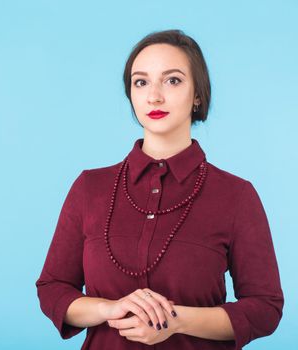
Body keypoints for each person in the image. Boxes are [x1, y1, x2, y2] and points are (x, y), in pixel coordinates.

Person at [35, 29, 284, 349]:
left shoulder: (236, 196)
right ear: (131, 94)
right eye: (141, 82)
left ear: (198, 94)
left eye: (173, 80)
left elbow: (265, 307)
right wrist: (107, 309)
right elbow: (53, 288)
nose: (154, 95)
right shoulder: (89, 188)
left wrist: (177, 320)